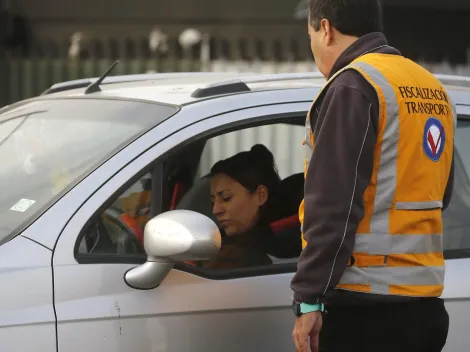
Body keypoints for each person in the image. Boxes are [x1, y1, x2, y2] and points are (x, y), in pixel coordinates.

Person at [290, 1, 456, 351]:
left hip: (365, 310)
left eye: (310, 37)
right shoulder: (433, 90)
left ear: (326, 29)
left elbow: (333, 205)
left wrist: (309, 298)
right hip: (426, 308)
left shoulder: (353, 86)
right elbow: (442, 193)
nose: (314, 49)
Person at [196, 144, 283, 270]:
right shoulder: (217, 243)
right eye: (212, 202)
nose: (215, 210)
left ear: (260, 196)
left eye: (226, 198)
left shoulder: (253, 259)